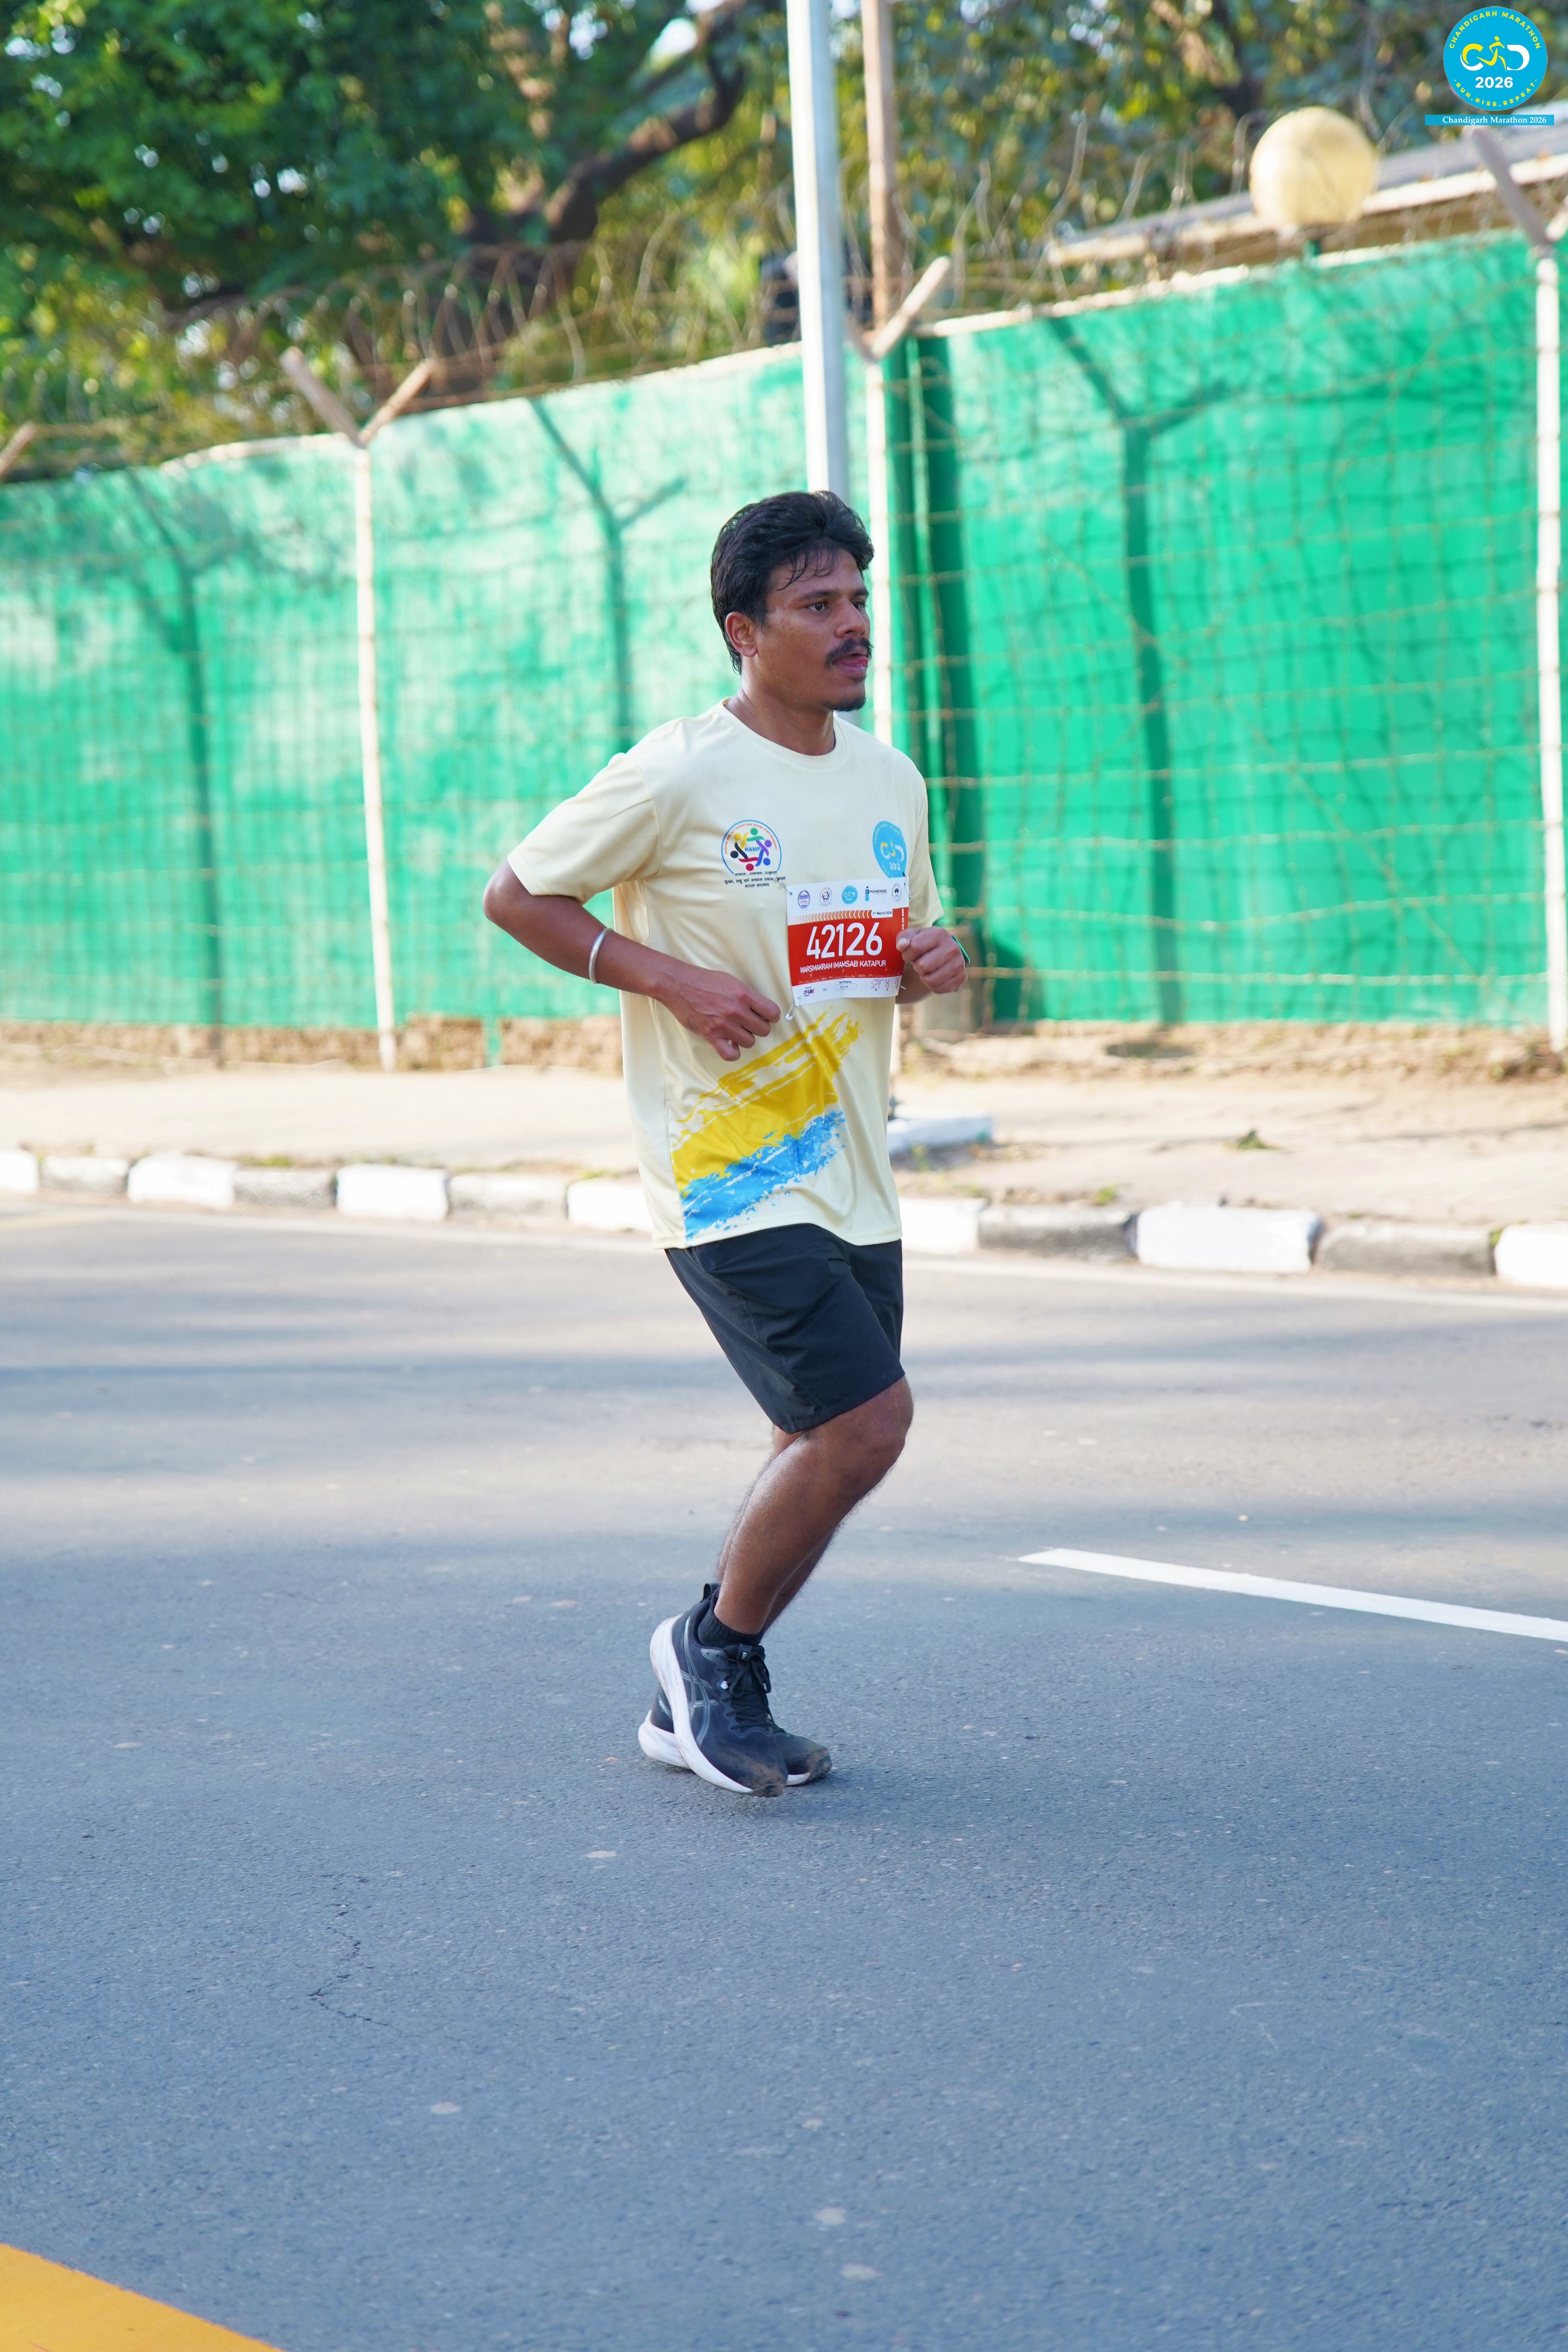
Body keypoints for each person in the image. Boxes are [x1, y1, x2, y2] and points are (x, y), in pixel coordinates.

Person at [483, 490, 967, 1797]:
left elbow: (889, 948)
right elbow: (520, 894)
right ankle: (710, 1653)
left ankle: (694, 1692)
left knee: (820, 1438)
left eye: (859, 598)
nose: (854, 625)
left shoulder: (891, 780)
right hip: (725, 1173)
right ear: (746, 631)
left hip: (854, 1171)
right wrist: (670, 979)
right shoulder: (681, 771)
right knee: (866, 1425)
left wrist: (930, 961)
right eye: (818, 605)